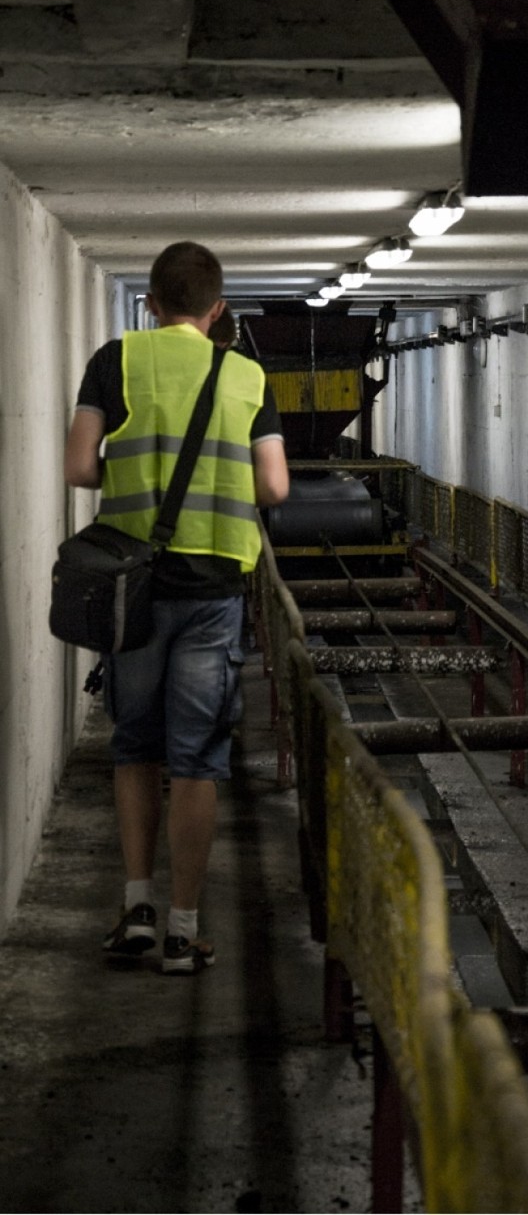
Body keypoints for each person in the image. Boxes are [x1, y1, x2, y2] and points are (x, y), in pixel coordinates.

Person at [64, 241, 289, 974]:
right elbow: (275, 488)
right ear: (217, 309)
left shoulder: (115, 360)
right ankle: (186, 932)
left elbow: (78, 467)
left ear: (152, 303)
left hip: (132, 588)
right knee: (198, 759)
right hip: (213, 591)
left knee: (135, 746)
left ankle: (135, 908)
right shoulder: (248, 376)